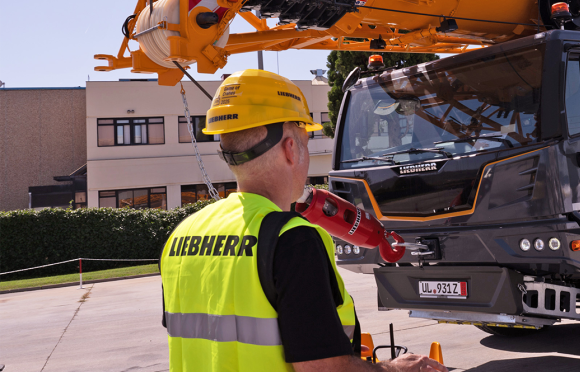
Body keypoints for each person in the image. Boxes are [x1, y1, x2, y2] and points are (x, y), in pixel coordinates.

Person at [160, 69, 448, 372]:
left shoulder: (181, 235)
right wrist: (396, 369)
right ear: (290, 148)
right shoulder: (291, 239)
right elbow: (324, 368)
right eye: (306, 143)